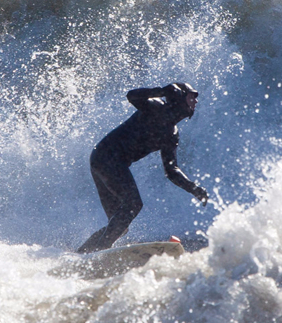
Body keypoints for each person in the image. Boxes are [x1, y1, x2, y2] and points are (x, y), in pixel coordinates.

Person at [77, 82, 209, 254]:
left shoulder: (171, 134)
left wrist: (194, 188)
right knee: (132, 205)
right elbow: (132, 95)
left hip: (104, 161)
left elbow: (171, 171)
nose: (196, 101)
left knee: (119, 225)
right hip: (106, 157)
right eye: (192, 96)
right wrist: (161, 91)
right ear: (178, 95)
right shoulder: (155, 106)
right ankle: (101, 251)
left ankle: (82, 254)